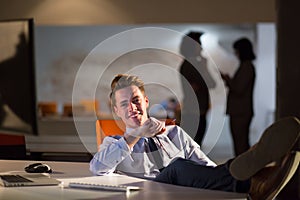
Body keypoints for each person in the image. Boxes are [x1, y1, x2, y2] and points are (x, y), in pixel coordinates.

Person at [90, 74, 300, 200]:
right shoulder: (114, 143)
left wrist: (220, 176)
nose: (132, 108)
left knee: (197, 169)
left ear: (146, 101)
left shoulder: (174, 133)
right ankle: (257, 181)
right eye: (124, 104)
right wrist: (136, 134)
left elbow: (205, 168)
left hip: (184, 192)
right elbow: (97, 167)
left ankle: (253, 177)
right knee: (177, 167)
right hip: (149, 192)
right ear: (117, 111)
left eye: (136, 100)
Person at [179, 31, 216, 146]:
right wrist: (204, 67)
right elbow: (209, 84)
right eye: (199, 44)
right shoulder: (190, 65)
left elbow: (211, 84)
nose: (201, 47)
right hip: (194, 111)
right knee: (194, 145)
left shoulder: (191, 64)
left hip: (197, 110)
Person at [221, 37, 256, 156]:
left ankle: (242, 172)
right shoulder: (246, 66)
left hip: (241, 112)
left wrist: (228, 80)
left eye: (237, 51)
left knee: (240, 144)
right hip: (241, 111)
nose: (236, 54)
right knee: (240, 143)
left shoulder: (247, 67)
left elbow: (239, 89)